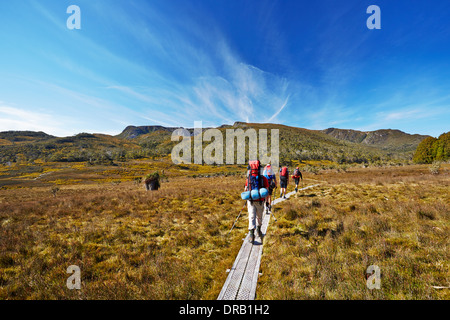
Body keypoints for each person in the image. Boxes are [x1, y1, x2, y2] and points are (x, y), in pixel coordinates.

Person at [245, 160, 270, 244]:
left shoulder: (248, 179)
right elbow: (267, 191)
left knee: (251, 216)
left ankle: (252, 235)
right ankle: (259, 231)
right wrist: (267, 202)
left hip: (251, 201)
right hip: (260, 201)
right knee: (259, 217)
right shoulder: (264, 179)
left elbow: (246, 189)